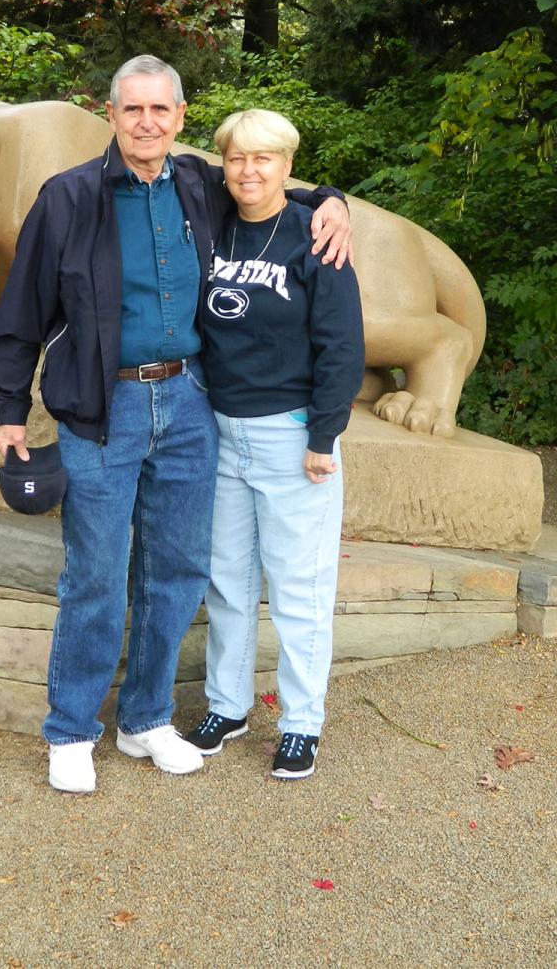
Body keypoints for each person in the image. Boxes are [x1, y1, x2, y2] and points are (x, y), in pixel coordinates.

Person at [0, 56, 353, 794]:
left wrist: (332, 200)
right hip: (101, 407)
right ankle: (72, 729)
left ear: (181, 117)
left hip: (188, 403)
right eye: (132, 110)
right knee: (95, 572)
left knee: (177, 570)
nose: (147, 123)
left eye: (161, 110)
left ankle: (147, 718)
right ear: (112, 116)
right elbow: (20, 310)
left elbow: (266, 181)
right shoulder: (69, 198)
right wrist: (7, 409)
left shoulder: (196, 182)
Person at [183, 109, 365, 781]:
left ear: (289, 167)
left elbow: (343, 344)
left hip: (293, 437)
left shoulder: (314, 238)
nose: (249, 170)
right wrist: (333, 194)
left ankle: (300, 721)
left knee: (299, 586)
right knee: (227, 580)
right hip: (221, 432)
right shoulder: (212, 221)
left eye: (265, 159)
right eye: (237, 158)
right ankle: (227, 705)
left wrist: (325, 434)